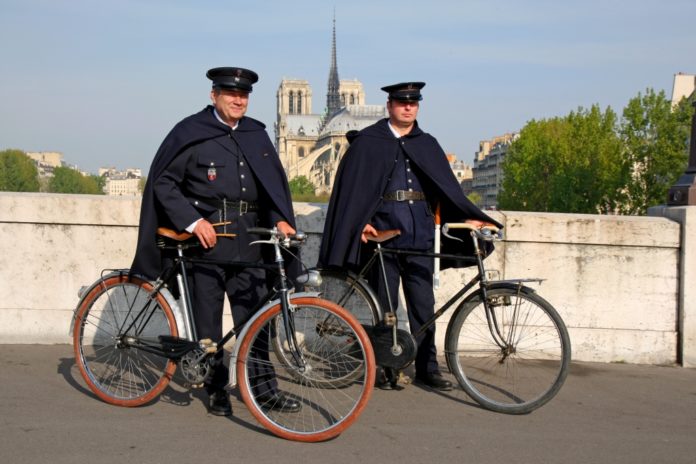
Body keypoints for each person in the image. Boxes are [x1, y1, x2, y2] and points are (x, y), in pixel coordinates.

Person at [131, 67, 300, 415]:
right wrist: (193, 222)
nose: (238, 100)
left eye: (244, 95)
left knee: (256, 321)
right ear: (214, 96)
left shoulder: (256, 134)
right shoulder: (191, 132)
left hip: (251, 241)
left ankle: (264, 389)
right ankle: (216, 388)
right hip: (206, 244)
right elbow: (164, 183)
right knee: (208, 325)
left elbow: (271, 188)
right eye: (230, 94)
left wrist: (279, 218)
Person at [319, 82, 503, 391]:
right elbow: (353, 191)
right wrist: (359, 224)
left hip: (420, 238)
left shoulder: (427, 144)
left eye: (414, 102)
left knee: (423, 307)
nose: (408, 107)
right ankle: (384, 368)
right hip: (384, 236)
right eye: (402, 102)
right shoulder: (368, 142)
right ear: (390, 105)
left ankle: (427, 368)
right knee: (385, 310)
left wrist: (468, 216)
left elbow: (447, 189)